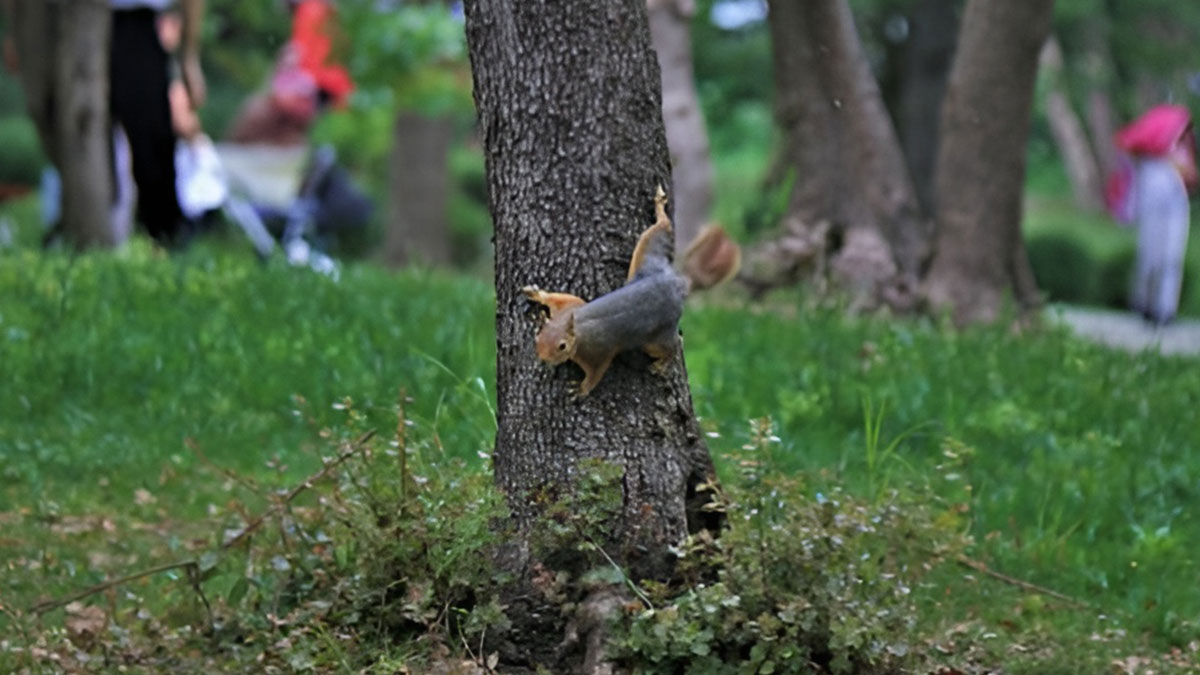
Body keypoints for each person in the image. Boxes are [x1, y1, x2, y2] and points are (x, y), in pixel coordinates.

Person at [110, 0, 206, 246]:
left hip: (139, 26)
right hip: (84, 25)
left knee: (152, 149)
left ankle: (162, 239)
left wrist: (189, 55)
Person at [1111, 105, 1197, 325]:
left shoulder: (1184, 151)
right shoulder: (1151, 162)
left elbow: (1191, 178)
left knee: (1171, 255)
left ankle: (1165, 308)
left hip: (1175, 201)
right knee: (1150, 251)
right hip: (1154, 196)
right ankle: (1144, 303)